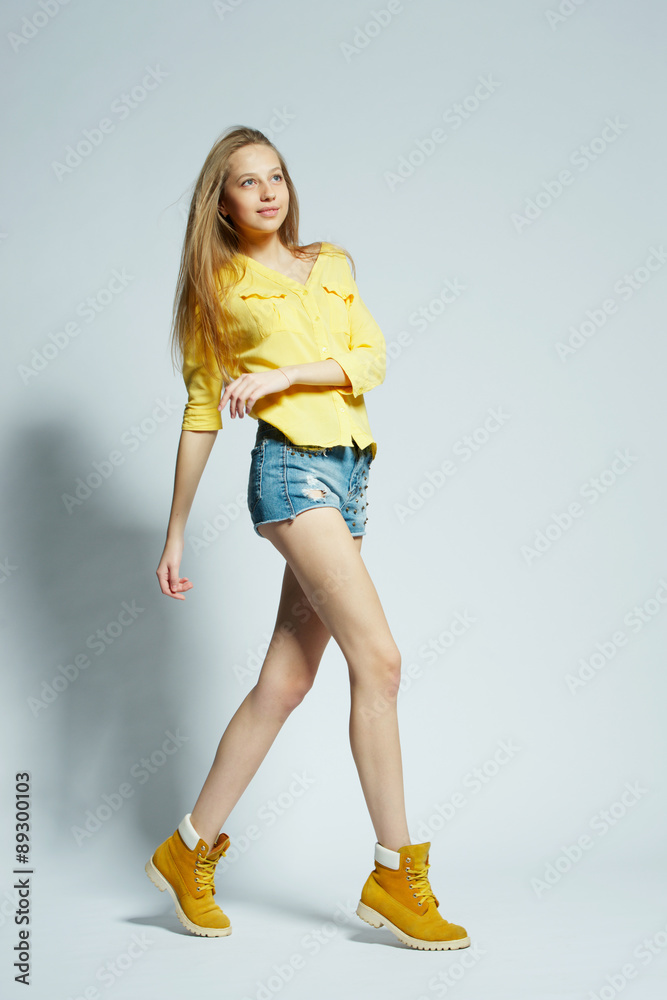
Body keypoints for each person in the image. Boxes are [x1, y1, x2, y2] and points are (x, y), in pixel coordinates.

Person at [145, 125, 470, 952]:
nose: (266, 192)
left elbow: (371, 359)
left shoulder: (332, 263)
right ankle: (394, 874)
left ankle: (186, 851)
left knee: (285, 683)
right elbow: (200, 411)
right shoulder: (216, 288)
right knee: (380, 661)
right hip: (291, 475)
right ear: (221, 202)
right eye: (246, 182)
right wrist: (175, 532)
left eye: (276, 177)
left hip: (351, 475)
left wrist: (287, 374)